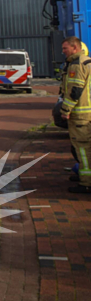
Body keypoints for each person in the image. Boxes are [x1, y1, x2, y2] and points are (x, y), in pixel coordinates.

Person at [59, 37, 91, 194]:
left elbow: (75, 91)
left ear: (75, 48)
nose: (63, 51)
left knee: (83, 150)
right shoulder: (88, 62)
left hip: (80, 116)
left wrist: (65, 111)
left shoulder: (76, 65)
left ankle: (86, 182)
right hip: (88, 113)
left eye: (65, 48)